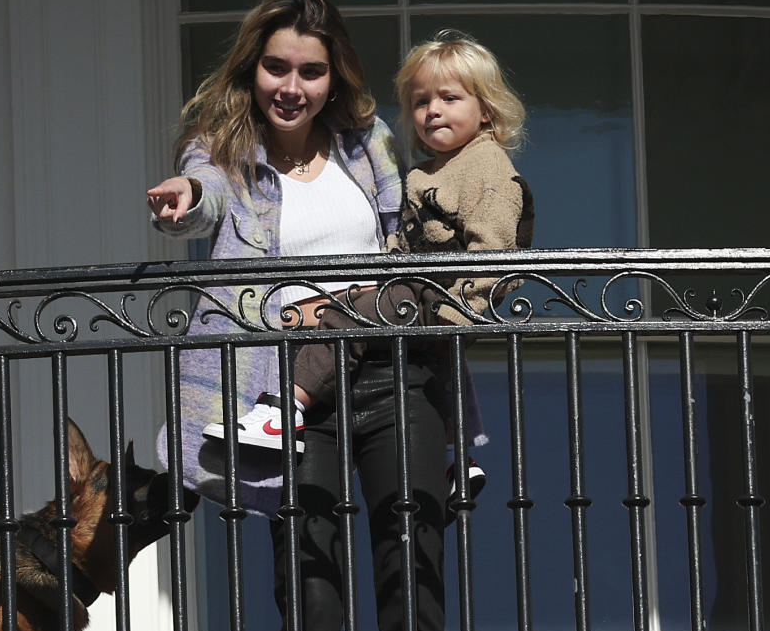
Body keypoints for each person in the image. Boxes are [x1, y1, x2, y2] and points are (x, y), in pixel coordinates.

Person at [145, 0, 454, 631]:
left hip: (387, 372)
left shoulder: (367, 141)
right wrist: (187, 196)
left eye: (310, 72)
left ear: (334, 76)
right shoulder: (220, 152)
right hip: (287, 392)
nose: (292, 88)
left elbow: (405, 236)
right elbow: (208, 192)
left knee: (410, 573)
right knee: (310, 590)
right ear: (253, 70)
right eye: (277, 68)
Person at [206, 29, 533, 499]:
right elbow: (403, 239)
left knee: (349, 313)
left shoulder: (488, 167)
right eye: (420, 102)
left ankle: (286, 407)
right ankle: (457, 459)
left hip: (446, 294)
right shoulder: (428, 170)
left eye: (449, 98)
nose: (431, 110)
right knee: (406, 339)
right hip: (424, 290)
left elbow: (494, 247)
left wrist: (459, 309)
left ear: (486, 109)